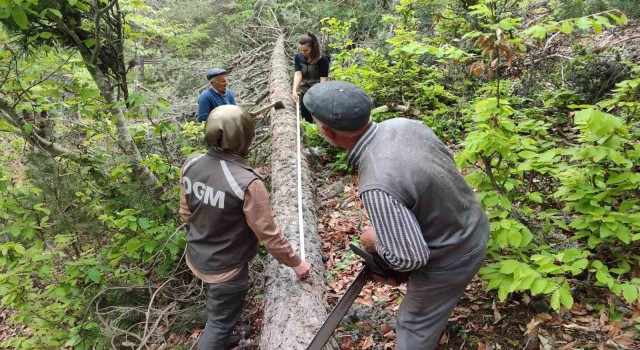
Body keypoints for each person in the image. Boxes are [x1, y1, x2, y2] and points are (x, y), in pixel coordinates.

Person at [303, 81, 489, 350]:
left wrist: (376, 241)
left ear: (327, 131)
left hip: (454, 256)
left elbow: (409, 258)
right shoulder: (406, 125)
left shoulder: (377, 182)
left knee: (412, 325)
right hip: (472, 224)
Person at [179, 105, 311, 349]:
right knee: (218, 324)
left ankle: (225, 333)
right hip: (227, 268)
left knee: (221, 310)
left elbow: (185, 212)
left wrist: (210, 234)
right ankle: (220, 335)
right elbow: (267, 233)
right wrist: (296, 262)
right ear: (244, 137)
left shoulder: (192, 163)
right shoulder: (247, 181)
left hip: (198, 255)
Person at [291, 32, 330, 123]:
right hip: (304, 91)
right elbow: (298, 74)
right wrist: (294, 90)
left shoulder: (323, 59)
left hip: (317, 92)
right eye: (301, 50)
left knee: (318, 118)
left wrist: (319, 96)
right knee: (305, 117)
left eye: (305, 50)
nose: (302, 53)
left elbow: (323, 80)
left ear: (313, 48)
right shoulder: (298, 57)